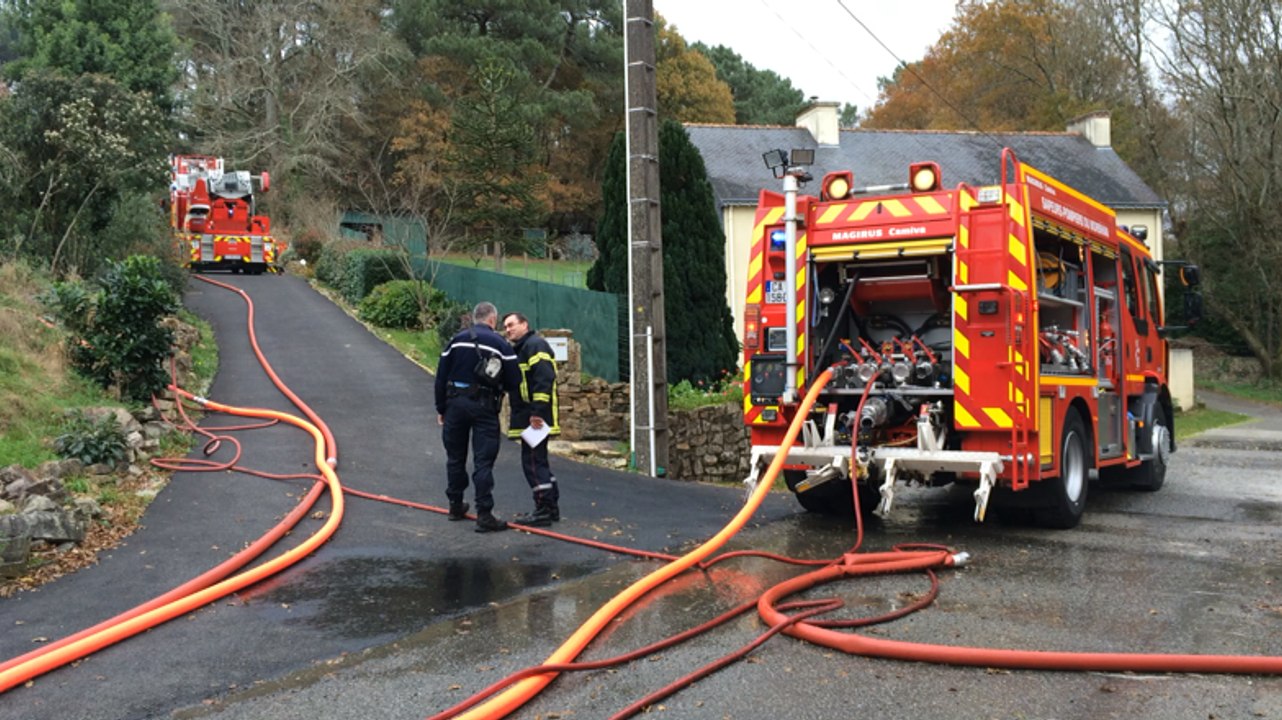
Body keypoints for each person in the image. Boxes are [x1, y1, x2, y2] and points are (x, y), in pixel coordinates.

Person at [435, 301, 520, 533]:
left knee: (455, 456)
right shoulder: (500, 344)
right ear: (492, 320)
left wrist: (441, 408)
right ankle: (484, 514)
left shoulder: (455, 340)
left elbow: (440, 377)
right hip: (484, 407)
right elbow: (515, 381)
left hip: (454, 405)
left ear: (475, 318)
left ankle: (455, 505)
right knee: (483, 460)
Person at [501, 312, 561, 527]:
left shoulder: (535, 346)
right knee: (538, 459)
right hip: (532, 416)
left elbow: (544, 379)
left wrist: (537, 413)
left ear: (525, 324)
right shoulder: (523, 348)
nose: (508, 330)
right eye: (505, 327)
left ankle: (544, 509)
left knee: (533, 462)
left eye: (512, 325)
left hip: (535, 418)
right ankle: (551, 506)